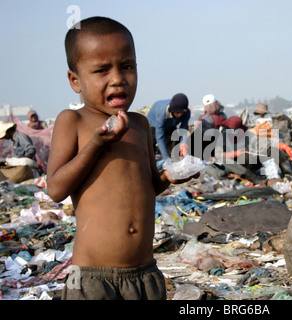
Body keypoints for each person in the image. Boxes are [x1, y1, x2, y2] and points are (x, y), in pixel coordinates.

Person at [47, 16, 199, 300]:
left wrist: (170, 176)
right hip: (94, 279)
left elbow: (146, 187)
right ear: (75, 80)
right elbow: (56, 189)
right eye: (102, 70)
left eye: (127, 66)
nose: (117, 79)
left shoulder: (140, 125)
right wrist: (95, 143)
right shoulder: (74, 121)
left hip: (143, 274)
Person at [147, 93, 191, 161]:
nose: (179, 115)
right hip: (153, 124)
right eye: (177, 113)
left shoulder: (187, 112)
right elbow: (160, 137)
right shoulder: (162, 113)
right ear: (172, 110)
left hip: (171, 125)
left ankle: (173, 161)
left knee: (174, 142)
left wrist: (183, 143)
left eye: (182, 113)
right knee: (151, 144)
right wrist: (166, 158)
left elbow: (184, 129)